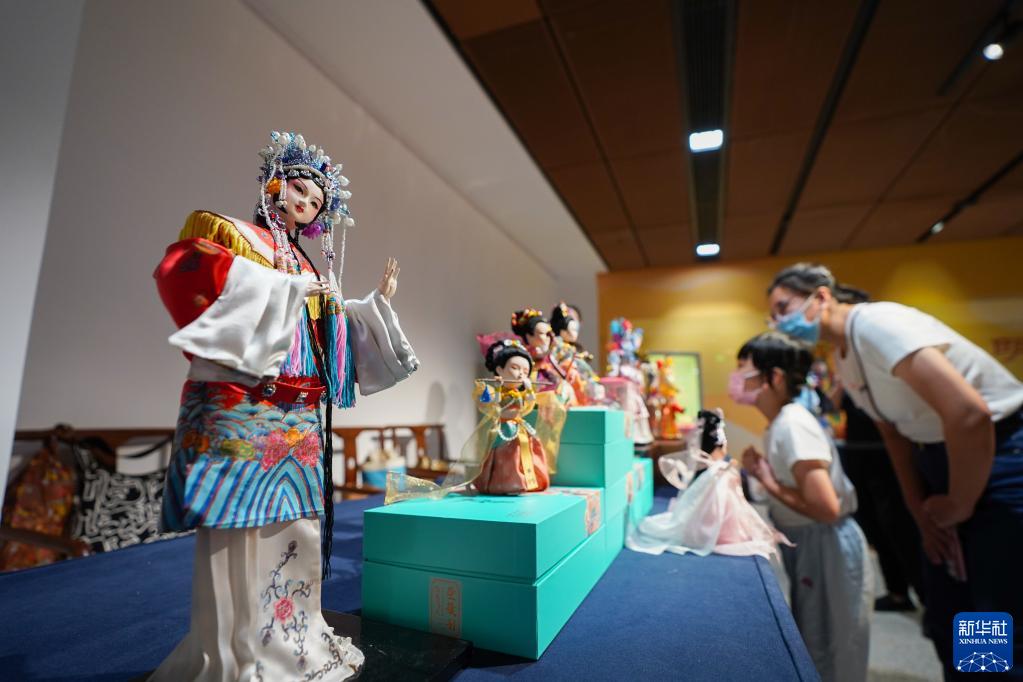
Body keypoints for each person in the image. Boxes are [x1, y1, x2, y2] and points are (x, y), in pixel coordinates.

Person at [152, 131, 418, 681]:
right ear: (275, 184)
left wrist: (371, 307)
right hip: (245, 405)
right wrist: (286, 289)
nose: (306, 204)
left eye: (317, 202)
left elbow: (325, 337)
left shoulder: (305, 264)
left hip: (298, 415)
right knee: (237, 533)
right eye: (300, 190)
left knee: (294, 529)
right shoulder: (233, 235)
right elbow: (186, 271)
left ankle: (292, 640)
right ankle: (233, 657)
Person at [767, 262, 1023, 678]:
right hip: (939, 460)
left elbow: (969, 413)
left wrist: (960, 503)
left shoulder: (877, 324)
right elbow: (894, 435)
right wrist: (918, 510)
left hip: (997, 454)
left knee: (991, 612)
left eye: (784, 307)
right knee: (948, 609)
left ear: (821, 296)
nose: (780, 321)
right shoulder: (844, 356)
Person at [733, 332, 871, 682]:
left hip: (825, 542)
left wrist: (768, 481)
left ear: (774, 377)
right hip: (811, 541)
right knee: (815, 638)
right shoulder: (782, 422)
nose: (737, 379)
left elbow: (826, 508)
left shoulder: (793, 424)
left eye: (744, 369)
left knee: (830, 648)